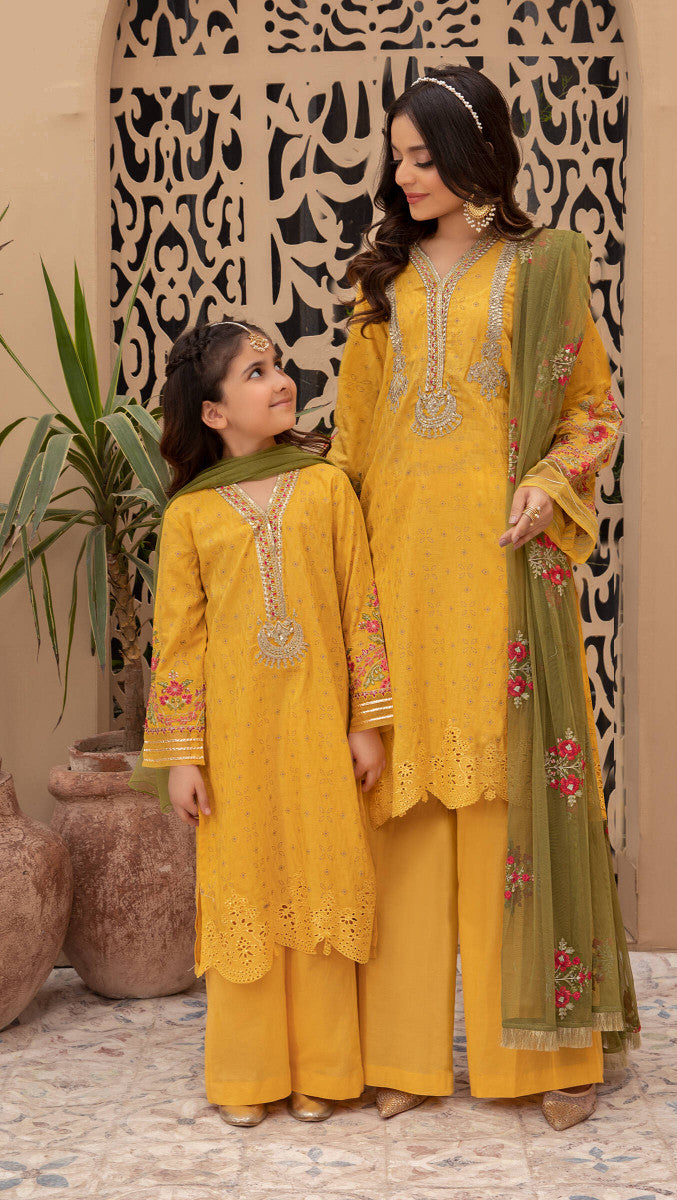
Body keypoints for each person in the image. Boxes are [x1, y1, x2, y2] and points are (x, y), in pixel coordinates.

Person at [329, 65, 640, 1130]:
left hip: (506, 570)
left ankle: (547, 1053)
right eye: (398, 159)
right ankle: (404, 1055)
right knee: (405, 803)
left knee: (513, 807)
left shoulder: (545, 268)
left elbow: (594, 414)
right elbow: (353, 442)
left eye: (424, 157)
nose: (406, 177)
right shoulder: (381, 284)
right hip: (403, 569)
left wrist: (547, 483)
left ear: (478, 155)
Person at [137, 318, 392, 1127]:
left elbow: (360, 609)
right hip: (236, 741)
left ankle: (325, 1070)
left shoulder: (325, 488)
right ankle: (246, 1072)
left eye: (277, 365)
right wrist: (183, 756)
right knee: (245, 885)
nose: (280, 380)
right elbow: (179, 644)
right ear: (213, 413)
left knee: (322, 876)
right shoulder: (191, 515)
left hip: (318, 725)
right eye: (255, 372)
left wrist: (365, 721)